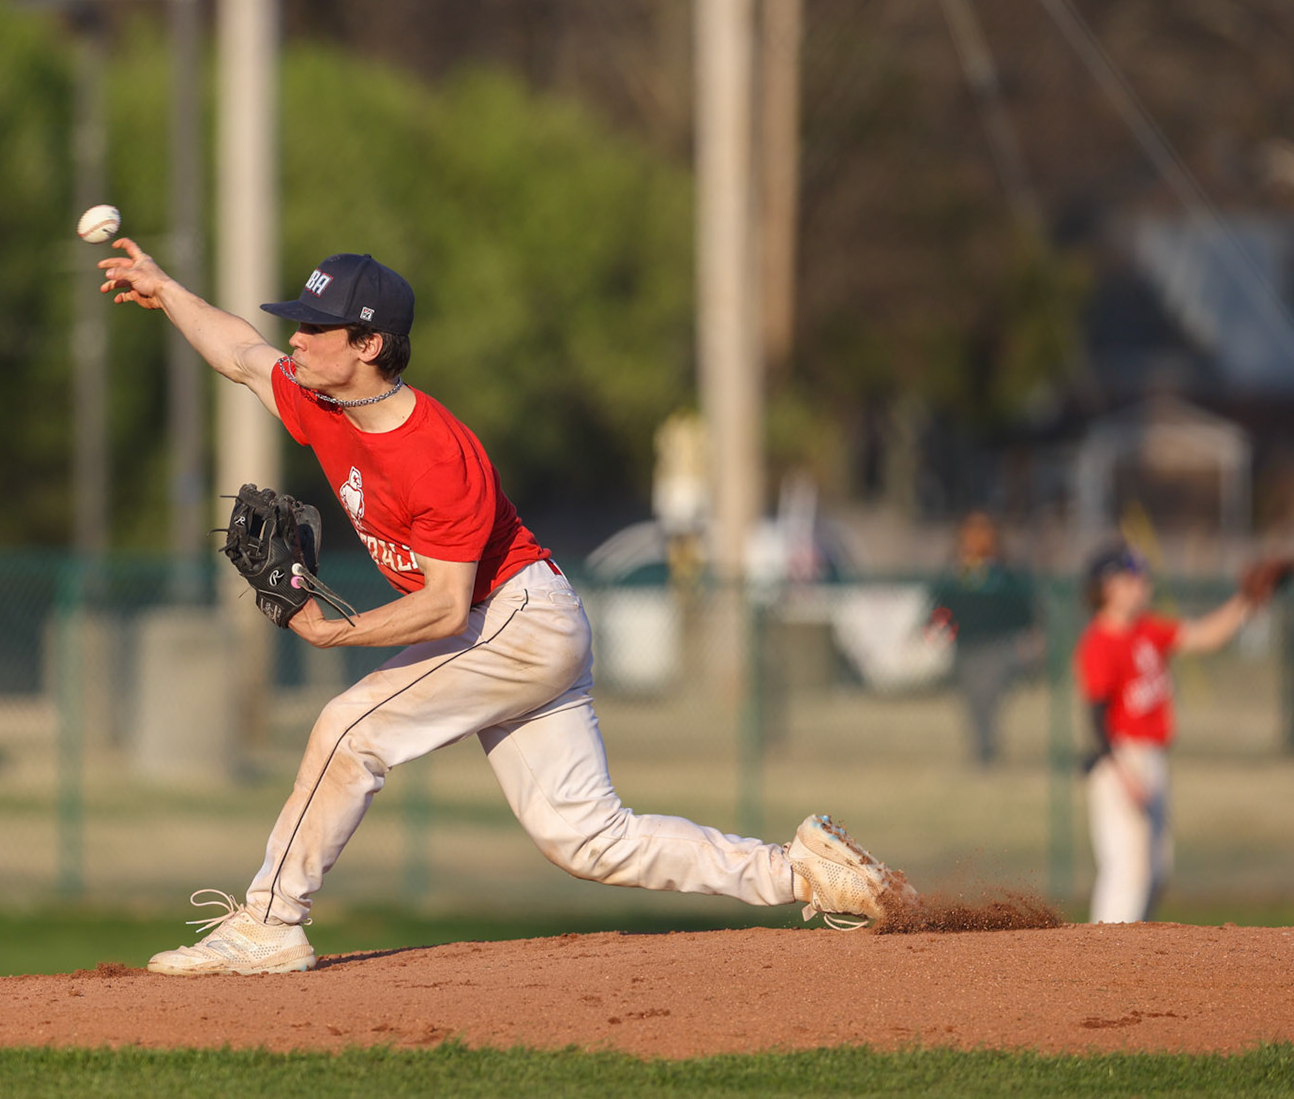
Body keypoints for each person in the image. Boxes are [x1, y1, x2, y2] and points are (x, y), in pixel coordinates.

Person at [97, 242, 916, 974]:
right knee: (586, 838)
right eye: (300, 326)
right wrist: (165, 287)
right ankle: (804, 870)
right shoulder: (323, 402)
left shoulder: (438, 455)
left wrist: (330, 632)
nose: (298, 341)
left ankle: (271, 921)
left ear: (370, 345)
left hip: (514, 621)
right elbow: (240, 353)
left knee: (349, 729)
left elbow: (448, 607)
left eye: (317, 328)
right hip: (514, 623)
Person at [1076, 542, 1265, 923]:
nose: (1143, 583)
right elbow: (1096, 717)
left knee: (1157, 872)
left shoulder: (1148, 630)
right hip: (1121, 760)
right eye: (1133, 577)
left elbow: (1206, 635)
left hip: (1153, 758)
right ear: (1109, 586)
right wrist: (1124, 773)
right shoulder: (1099, 642)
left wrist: (1246, 600)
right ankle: (1102, 959)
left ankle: (1135, 959)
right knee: (1129, 869)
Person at [933, 512, 1039, 767]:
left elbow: (1023, 609)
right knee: (972, 701)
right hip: (966, 646)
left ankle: (987, 750)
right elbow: (941, 607)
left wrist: (1029, 637)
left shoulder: (1005, 573)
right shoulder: (955, 574)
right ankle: (981, 750)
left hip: (997, 646)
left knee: (989, 697)